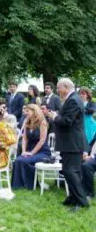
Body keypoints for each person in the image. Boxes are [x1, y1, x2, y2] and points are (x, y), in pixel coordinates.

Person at [47, 78, 89, 210]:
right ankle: (72, 197)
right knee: (68, 171)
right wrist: (57, 115)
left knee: (72, 172)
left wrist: (54, 117)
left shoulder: (74, 100)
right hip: (69, 142)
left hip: (73, 142)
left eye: (59, 87)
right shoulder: (72, 99)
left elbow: (67, 121)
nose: (58, 90)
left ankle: (81, 201)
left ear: (66, 86)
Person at [12, 104, 51, 190]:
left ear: (35, 111)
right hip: (29, 150)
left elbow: (42, 141)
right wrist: (23, 151)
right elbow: (25, 139)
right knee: (18, 159)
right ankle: (18, 185)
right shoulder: (27, 122)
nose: (26, 113)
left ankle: (29, 185)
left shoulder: (42, 123)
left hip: (42, 152)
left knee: (25, 160)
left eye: (28, 111)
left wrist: (31, 153)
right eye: (26, 111)